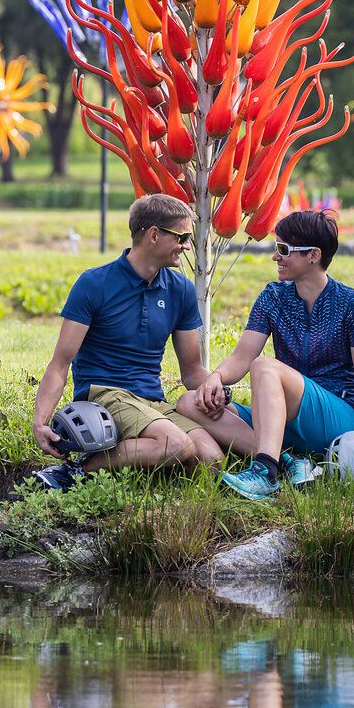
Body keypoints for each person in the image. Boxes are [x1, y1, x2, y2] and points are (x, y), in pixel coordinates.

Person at [177, 210, 354, 500]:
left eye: (284, 250)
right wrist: (216, 378)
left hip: (336, 419)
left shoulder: (352, 303)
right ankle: (289, 460)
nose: (276, 257)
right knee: (189, 402)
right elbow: (241, 357)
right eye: (276, 248)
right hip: (283, 416)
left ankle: (264, 472)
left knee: (266, 367)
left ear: (313, 255)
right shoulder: (273, 296)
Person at [30, 193, 224, 490]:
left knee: (210, 460)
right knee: (176, 445)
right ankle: (75, 472)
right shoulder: (95, 283)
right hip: (105, 394)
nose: (187, 246)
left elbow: (192, 372)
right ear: (154, 235)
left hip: (152, 400)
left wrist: (215, 386)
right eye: (182, 236)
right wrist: (40, 422)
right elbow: (60, 363)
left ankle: (139, 479)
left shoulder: (180, 290)